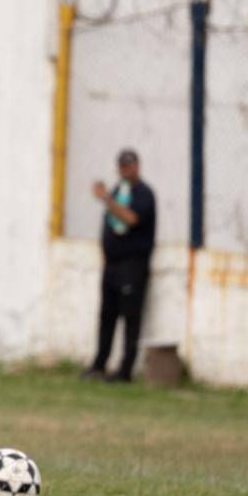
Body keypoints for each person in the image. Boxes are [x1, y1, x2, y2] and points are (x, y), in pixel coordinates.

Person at [81, 148, 156, 384]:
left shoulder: (144, 194)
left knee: (130, 318)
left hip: (132, 266)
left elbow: (131, 219)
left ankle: (125, 370)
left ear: (137, 167)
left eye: (129, 166)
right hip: (112, 265)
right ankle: (99, 364)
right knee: (107, 316)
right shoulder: (118, 191)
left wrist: (106, 199)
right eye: (122, 166)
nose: (126, 170)